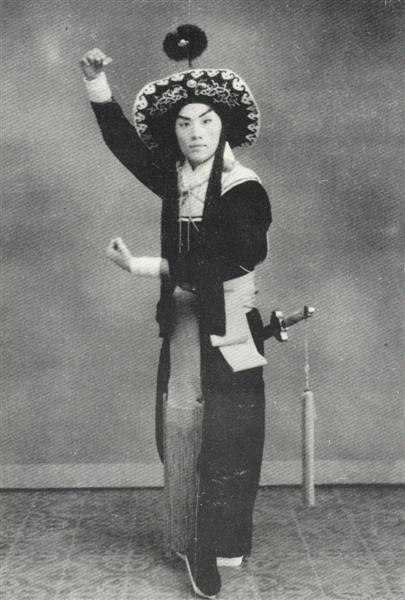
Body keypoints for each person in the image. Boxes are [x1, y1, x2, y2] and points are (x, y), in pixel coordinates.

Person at [80, 28, 271, 599]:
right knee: (181, 426)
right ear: (174, 131)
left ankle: (220, 543)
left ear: (224, 125)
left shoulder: (244, 188)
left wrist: (145, 266)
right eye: (184, 124)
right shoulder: (175, 178)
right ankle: (190, 537)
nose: (195, 133)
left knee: (229, 435)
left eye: (206, 121)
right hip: (184, 322)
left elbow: (239, 255)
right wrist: (96, 82)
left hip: (231, 322)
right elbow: (123, 144)